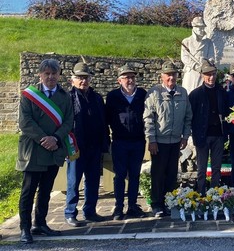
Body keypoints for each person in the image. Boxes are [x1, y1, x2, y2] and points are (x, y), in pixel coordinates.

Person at [16, 59, 73, 243]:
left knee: (46, 190)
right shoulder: (29, 95)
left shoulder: (64, 97)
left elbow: (68, 122)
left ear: (59, 75)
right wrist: (44, 139)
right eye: (47, 73)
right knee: (28, 191)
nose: (51, 77)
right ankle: (25, 228)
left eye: (54, 73)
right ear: (40, 75)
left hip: (54, 149)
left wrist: (55, 138)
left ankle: (40, 223)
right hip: (33, 150)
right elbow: (25, 122)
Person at [144, 60, 192, 217]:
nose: (171, 77)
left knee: (172, 174)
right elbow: (148, 118)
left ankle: (169, 202)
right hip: (159, 142)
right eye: (168, 75)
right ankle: (157, 204)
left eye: (173, 74)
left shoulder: (183, 93)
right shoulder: (154, 93)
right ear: (162, 77)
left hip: (176, 141)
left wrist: (185, 137)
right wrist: (151, 139)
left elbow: (187, 117)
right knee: (158, 173)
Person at [65, 62, 110, 226]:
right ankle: (70, 212)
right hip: (76, 146)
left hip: (95, 144)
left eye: (85, 78)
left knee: (93, 180)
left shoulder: (97, 98)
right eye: (79, 78)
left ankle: (90, 211)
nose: (83, 81)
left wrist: (105, 141)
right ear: (73, 80)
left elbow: (103, 121)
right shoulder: (68, 98)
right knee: (73, 181)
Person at [105, 64, 147, 220]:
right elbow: (107, 119)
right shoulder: (112, 96)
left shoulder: (142, 94)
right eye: (126, 77)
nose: (130, 80)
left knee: (135, 175)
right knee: (120, 175)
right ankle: (118, 207)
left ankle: (132, 205)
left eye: (132, 77)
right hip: (120, 141)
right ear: (119, 80)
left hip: (138, 141)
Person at [189, 59, 229, 196]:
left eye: (213, 74)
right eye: (208, 74)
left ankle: (214, 194)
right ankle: (200, 194)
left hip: (218, 134)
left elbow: (227, 112)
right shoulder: (195, 94)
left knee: (216, 167)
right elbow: (190, 116)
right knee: (201, 168)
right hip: (202, 135)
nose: (211, 77)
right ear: (202, 76)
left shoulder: (222, 92)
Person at [181, 16, 215, 93]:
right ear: (194, 27)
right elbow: (184, 58)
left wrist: (205, 66)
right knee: (189, 92)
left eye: (203, 27)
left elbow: (211, 57)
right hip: (191, 71)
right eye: (199, 27)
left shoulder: (209, 42)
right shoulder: (186, 41)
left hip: (204, 72)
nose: (202, 30)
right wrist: (195, 66)